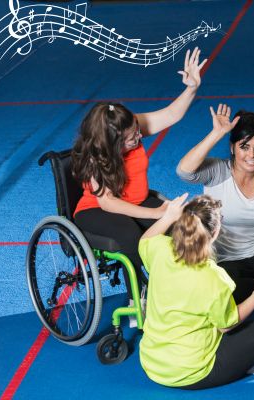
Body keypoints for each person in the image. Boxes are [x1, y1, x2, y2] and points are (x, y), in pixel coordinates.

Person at [72, 48, 206, 296]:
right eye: (132, 137)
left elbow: (172, 114)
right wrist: (156, 212)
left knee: (183, 226)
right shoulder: (96, 156)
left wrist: (191, 88)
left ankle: (190, 286)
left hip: (138, 201)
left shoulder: (130, 126)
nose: (139, 135)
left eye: (137, 129)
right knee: (133, 237)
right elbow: (109, 203)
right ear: (113, 144)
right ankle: (142, 295)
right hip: (98, 210)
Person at [138, 193, 254, 389]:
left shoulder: (160, 249)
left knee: (238, 288)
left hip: (151, 362)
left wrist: (168, 216)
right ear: (215, 232)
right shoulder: (212, 277)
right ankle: (249, 365)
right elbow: (226, 326)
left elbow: (145, 240)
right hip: (190, 373)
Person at [176, 104, 254, 302]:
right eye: (244, 147)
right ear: (232, 147)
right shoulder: (217, 171)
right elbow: (184, 171)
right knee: (222, 287)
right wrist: (217, 133)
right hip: (228, 260)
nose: (251, 155)